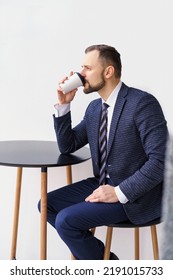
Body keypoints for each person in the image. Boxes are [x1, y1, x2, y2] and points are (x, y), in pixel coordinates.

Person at [38, 44, 168, 260]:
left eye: (87, 68)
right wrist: (63, 106)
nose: (80, 74)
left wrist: (117, 192)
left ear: (108, 71)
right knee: (46, 204)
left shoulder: (142, 103)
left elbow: (161, 162)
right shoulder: (95, 108)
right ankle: (106, 264)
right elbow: (68, 146)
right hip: (102, 184)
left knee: (66, 220)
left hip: (137, 195)